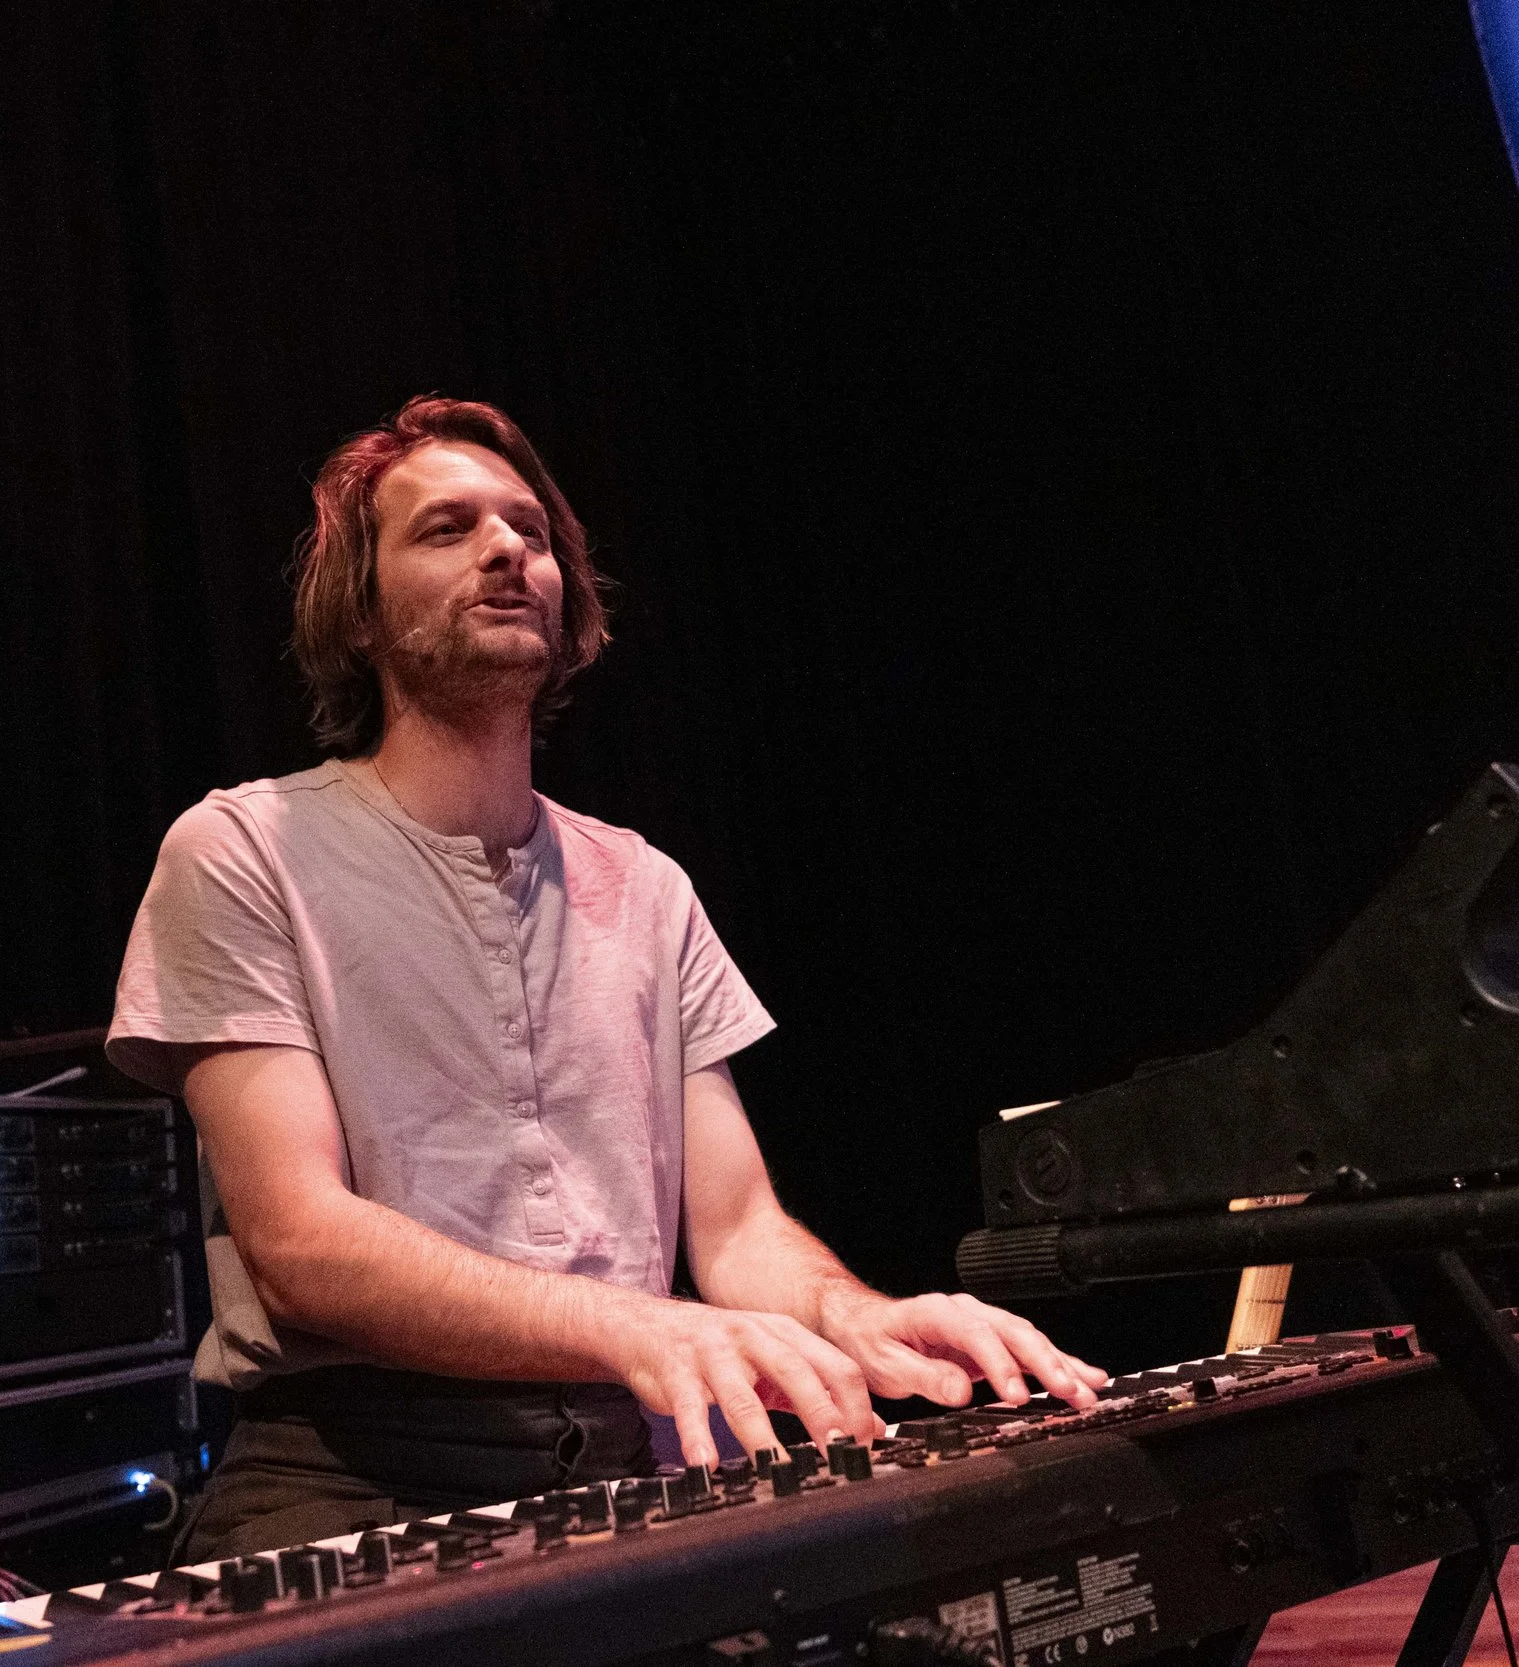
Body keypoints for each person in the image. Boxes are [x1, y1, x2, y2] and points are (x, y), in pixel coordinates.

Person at [107, 396, 1106, 1561]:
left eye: (528, 530)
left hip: (626, 1451)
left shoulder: (645, 884)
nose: (505, 549)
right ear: (360, 612)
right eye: (447, 527)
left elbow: (737, 1229)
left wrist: (863, 1314)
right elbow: (302, 1246)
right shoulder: (241, 848)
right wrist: (636, 1325)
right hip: (351, 1465)